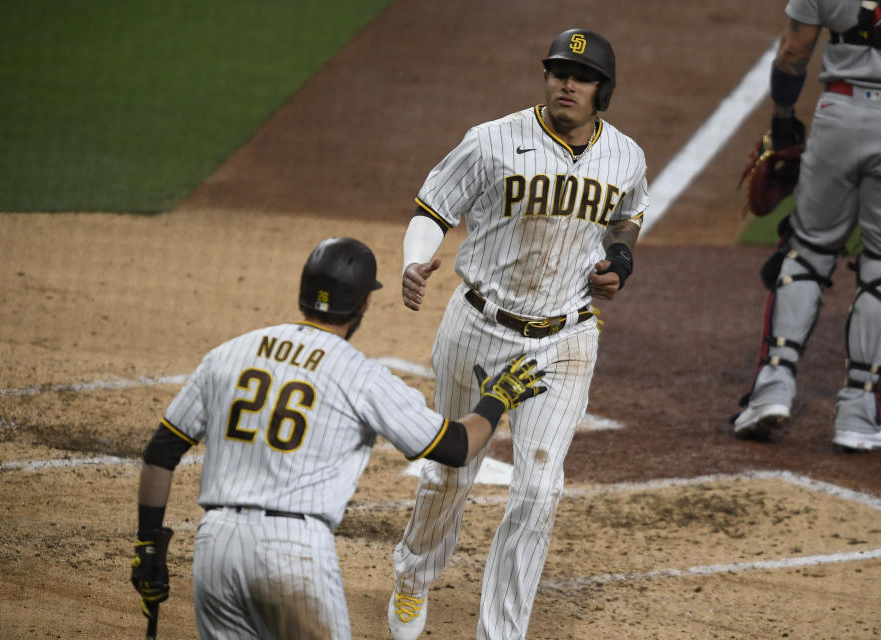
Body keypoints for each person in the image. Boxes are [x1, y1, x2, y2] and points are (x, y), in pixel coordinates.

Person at [129, 236, 548, 639]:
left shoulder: (229, 354)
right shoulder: (359, 375)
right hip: (293, 553)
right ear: (364, 302)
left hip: (215, 547)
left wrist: (148, 546)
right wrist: (497, 398)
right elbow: (457, 447)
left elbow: (160, 453)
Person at [388, 28, 649, 640]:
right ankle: (412, 577)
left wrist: (622, 263)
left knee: (538, 489)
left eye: (581, 77)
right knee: (449, 470)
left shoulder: (626, 156)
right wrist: (415, 259)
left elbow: (627, 217)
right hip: (478, 327)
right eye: (558, 71)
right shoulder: (491, 141)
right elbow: (432, 207)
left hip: (564, 340)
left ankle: (500, 633)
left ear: (601, 91)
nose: (566, 83)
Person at [732, 0, 881, 451]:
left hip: (837, 118)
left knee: (806, 252)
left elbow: (794, 50)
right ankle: (858, 415)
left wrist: (783, 123)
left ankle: (772, 389)